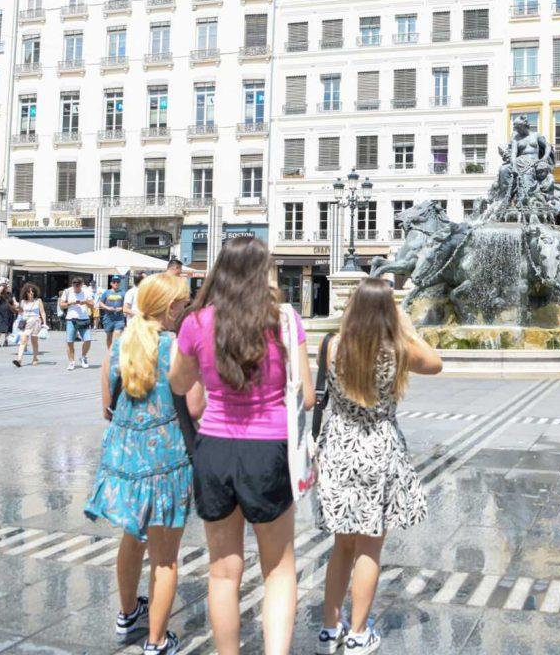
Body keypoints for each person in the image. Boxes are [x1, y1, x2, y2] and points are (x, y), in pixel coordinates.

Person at [169, 237, 314, 655]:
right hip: (268, 452)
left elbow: (178, 383)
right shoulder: (284, 321)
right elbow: (305, 396)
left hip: (214, 449)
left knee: (222, 572)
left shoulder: (196, 322)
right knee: (279, 570)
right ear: (262, 272)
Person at [315, 279, 443, 655]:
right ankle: (357, 633)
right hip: (378, 452)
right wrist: (404, 323)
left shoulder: (332, 347)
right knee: (369, 548)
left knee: (341, 544)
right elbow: (436, 363)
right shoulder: (397, 351)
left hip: (339, 449)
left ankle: (328, 626)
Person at [85, 273, 201, 655]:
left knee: (132, 539)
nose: (185, 308)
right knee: (165, 559)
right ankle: (156, 640)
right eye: (183, 303)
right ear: (170, 308)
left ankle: (128, 612)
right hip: (167, 462)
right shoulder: (176, 348)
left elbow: (107, 407)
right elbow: (196, 407)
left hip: (125, 460)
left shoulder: (120, 345)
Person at [60, 276, 95, 371]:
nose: (76, 288)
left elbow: (92, 304)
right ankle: (71, 362)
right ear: (72, 285)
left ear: (81, 285)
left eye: (78, 287)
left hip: (84, 318)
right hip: (71, 319)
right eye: (75, 286)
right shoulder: (67, 291)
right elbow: (61, 305)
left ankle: (83, 357)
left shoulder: (86, 291)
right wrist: (70, 303)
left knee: (88, 340)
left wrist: (85, 302)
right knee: (70, 341)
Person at [14, 283, 46, 367]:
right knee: (23, 339)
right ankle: (19, 359)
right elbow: (21, 313)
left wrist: (44, 323)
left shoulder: (38, 301)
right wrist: (17, 308)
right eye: (29, 291)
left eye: (32, 291)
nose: (31, 293)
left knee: (34, 340)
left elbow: (42, 312)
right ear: (26, 293)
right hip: (26, 322)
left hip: (36, 322)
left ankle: (35, 358)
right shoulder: (23, 302)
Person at [99, 276, 128, 348]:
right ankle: (110, 352)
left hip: (119, 318)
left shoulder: (123, 293)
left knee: (117, 335)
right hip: (108, 318)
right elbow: (101, 303)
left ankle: (116, 352)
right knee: (109, 336)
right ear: (111, 283)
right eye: (114, 282)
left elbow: (126, 305)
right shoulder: (106, 292)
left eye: (118, 282)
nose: (116, 283)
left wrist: (121, 308)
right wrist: (107, 307)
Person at [0, 280, 18, 347]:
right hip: (0, 313)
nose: (6, 288)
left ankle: (6, 340)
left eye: (6, 287)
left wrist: (17, 305)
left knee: (8, 326)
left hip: (10, 313)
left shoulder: (11, 294)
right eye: (4, 287)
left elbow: (14, 301)